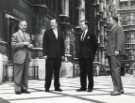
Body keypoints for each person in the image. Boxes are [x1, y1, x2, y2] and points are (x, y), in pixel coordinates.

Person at [43, 19, 64, 92]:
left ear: (56, 24)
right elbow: (44, 44)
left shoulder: (60, 33)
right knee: (49, 72)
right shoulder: (47, 32)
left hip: (58, 56)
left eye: (53, 23)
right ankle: (47, 87)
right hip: (50, 56)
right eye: (51, 23)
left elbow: (62, 45)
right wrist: (45, 54)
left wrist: (63, 54)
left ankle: (57, 87)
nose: (51, 24)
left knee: (57, 73)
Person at [11, 20, 33, 94]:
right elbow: (13, 46)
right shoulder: (15, 35)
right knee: (18, 74)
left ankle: (24, 88)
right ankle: (17, 89)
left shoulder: (27, 35)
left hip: (27, 57)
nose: (24, 27)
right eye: (23, 25)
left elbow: (29, 45)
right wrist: (23, 43)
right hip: (19, 57)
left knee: (25, 74)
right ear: (19, 26)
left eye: (25, 25)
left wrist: (30, 46)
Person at [105, 16, 125, 96]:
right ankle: (120, 88)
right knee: (115, 71)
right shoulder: (112, 29)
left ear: (114, 21)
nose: (108, 21)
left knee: (115, 71)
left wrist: (118, 49)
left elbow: (120, 39)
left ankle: (117, 90)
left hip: (115, 53)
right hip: (111, 52)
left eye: (109, 20)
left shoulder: (118, 28)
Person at [77, 20, 98, 92]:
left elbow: (95, 45)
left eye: (82, 25)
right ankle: (83, 86)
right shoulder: (81, 34)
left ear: (86, 25)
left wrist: (92, 54)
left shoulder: (91, 34)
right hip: (81, 57)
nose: (81, 27)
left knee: (89, 72)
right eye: (81, 25)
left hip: (88, 57)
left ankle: (90, 87)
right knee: (82, 72)